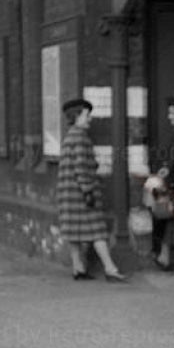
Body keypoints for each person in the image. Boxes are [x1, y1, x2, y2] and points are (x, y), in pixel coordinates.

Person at [55, 97, 127, 282]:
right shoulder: (80, 137)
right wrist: (88, 190)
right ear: (76, 116)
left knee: (74, 233)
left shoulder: (70, 135)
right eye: (87, 115)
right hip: (81, 193)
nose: (89, 119)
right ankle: (110, 269)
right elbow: (80, 167)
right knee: (98, 231)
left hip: (67, 194)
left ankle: (78, 268)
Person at [146, 95, 174, 272]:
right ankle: (166, 257)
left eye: (173, 113)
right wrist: (165, 169)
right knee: (168, 219)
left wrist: (169, 176)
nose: (169, 117)